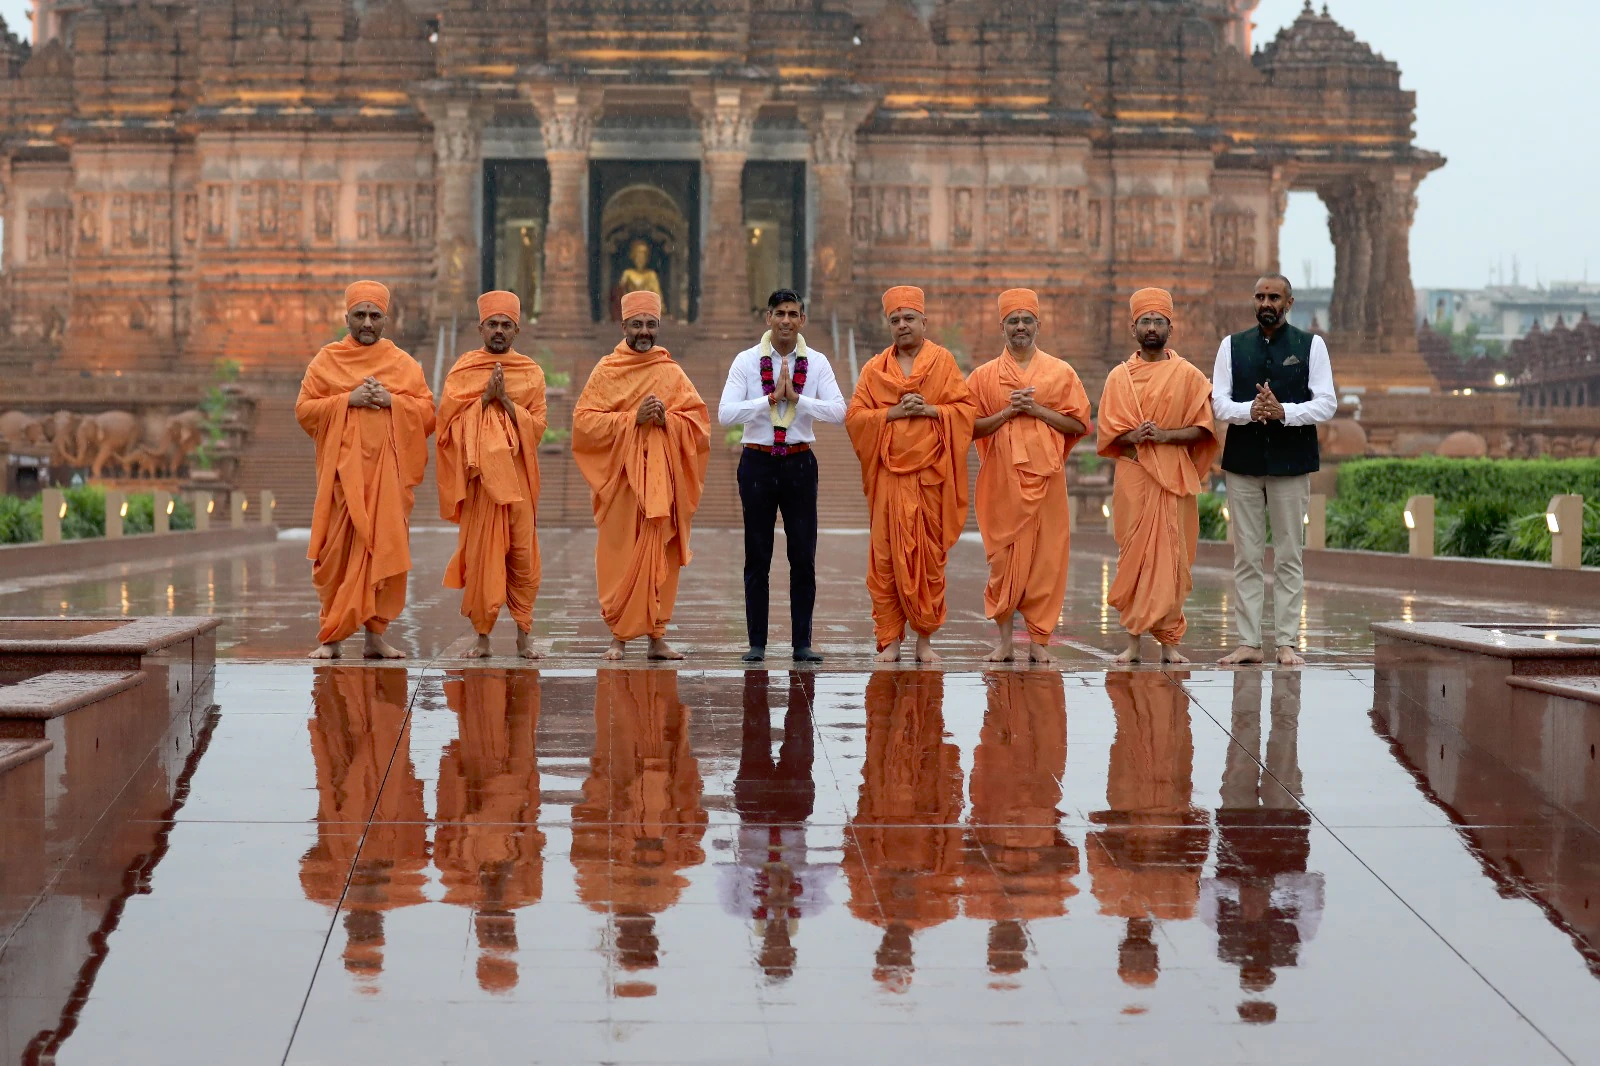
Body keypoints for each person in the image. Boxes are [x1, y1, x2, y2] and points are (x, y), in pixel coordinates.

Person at [296, 281, 435, 659]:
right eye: (360, 315)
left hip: (388, 481)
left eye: (375, 316)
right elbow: (305, 410)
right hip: (343, 481)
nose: (368, 323)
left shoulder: (403, 364)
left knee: (384, 554)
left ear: (386, 320)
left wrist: (392, 401)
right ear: (347, 318)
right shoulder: (327, 360)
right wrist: (347, 400)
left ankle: (376, 638)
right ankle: (331, 638)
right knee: (337, 554)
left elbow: (427, 414)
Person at [572, 289, 710, 660]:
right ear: (624, 326)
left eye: (650, 324)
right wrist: (633, 418)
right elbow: (584, 423)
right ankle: (617, 634)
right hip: (621, 483)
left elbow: (698, 423)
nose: (644, 330)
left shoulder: (671, 373)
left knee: (660, 557)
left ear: (658, 326)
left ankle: (657, 637)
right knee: (619, 556)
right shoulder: (606, 371)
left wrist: (669, 420)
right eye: (637, 324)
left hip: (660, 484)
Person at [845, 285, 976, 664]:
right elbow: (855, 418)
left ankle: (924, 640)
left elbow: (964, 411)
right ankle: (890, 640)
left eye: (908, 318)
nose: (902, 325)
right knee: (885, 559)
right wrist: (893, 414)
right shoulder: (873, 370)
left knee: (927, 559)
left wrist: (931, 410)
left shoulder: (943, 362)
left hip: (928, 478)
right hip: (889, 478)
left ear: (924, 321)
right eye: (895, 320)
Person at [1213, 275, 1337, 667]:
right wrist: (1251, 409)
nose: (1266, 302)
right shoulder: (1231, 346)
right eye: (1261, 296)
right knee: (1246, 556)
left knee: (1288, 554)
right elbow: (1218, 403)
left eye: (1274, 297)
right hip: (1244, 462)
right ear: (1254, 300)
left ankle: (1287, 642)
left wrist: (1286, 411)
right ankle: (1249, 642)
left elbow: (1327, 403)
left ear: (1289, 302)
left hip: (1291, 462)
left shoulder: (1310, 345)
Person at [718, 288, 847, 663]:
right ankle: (756, 643)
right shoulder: (746, 361)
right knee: (757, 555)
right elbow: (725, 414)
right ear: (768, 318)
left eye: (793, 313)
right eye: (780, 313)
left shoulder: (818, 363)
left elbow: (840, 411)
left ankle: (801, 643)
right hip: (757, 461)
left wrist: (798, 399)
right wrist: (769, 399)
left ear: (802, 320)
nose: (786, 320)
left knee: (803, 555)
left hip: (800, 462)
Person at [1095, 287, 1219, 664]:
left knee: (1174, 557)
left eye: (1158, 321)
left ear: (1170, 327)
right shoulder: (1119, 377)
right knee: (1133, 556)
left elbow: (1205, 428)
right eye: (1145, 321)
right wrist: (1137, 437)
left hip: (1174, 474)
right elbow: (1107, 431)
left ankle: (1170, 643)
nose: (1151, 328)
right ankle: (1132, 642)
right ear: (1133, 327)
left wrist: (1165, 436)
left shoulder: (1189, 376)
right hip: (1135, 474)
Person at [968, 288, 1091, 663]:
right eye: (1012, 321)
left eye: (1026, 320)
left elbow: (1078, 422)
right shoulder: (984, 376)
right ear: (1001, 326)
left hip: (1047, 480)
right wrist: (1008, 412)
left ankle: (1039, 642)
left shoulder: (1060, 372)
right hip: (1002, 481)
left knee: (1047, 562)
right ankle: (1004, 641)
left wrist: (1035, 409)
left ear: (1038, 324)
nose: (1019, 327)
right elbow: (969, 427)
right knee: (1004, 562)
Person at [436, 290, 547, 660]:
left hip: (517, 482)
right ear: (480, 328)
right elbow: (446, 428)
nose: (499, 331)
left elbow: (540, 426)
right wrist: (483, 401)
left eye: (506, 325)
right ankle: (481, 636)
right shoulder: (463, 370)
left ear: (517, 330)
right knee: (483, 557)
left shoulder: (530, 372)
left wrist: (508, 403)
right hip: (482, 486)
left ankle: (523, 634)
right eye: (492, 325)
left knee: (522, 556)